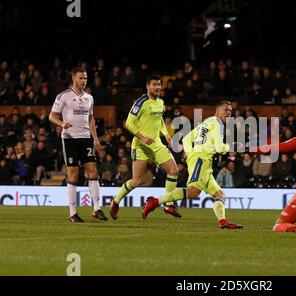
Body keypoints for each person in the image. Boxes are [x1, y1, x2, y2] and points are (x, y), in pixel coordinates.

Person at [141, 100, 243, 229]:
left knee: (220, 194)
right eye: (225, 110)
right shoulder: (217, 124)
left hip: (201, 160)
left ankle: (222, 222)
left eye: (230, 111)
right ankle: (155, 202)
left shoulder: (206, 122)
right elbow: (219, 148)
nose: (228, 112)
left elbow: (186, 139)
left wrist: (191, 156)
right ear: (217, 111)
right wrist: (233, 146)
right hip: (202, 160)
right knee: (193, 192)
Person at [109, 74, 181, 220]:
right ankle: (115, 201)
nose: (157, 87)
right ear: (147, 86)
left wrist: (165, 133)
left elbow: (159, 119)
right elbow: (128, 123)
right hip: (141, 145)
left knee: (174, 170)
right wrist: (142, 137)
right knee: (137, 181)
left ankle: (168, 204)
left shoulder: (160, 102)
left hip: (156, 144)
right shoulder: (141, 102)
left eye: (159, 84)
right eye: (154, 84)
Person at [49, 67, 108, 222]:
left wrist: (95, 139)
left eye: (85, 78)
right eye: (81, 78)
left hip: (86, 138)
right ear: (74, 78)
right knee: (73, 174)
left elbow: (91, 119)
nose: (84, 81)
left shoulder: (89, 98)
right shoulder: (64, 96)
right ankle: (72, 213)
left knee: (93, 172)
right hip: (69, 139)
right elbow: (52, 116)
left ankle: (97, 209)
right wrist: (62, 124)